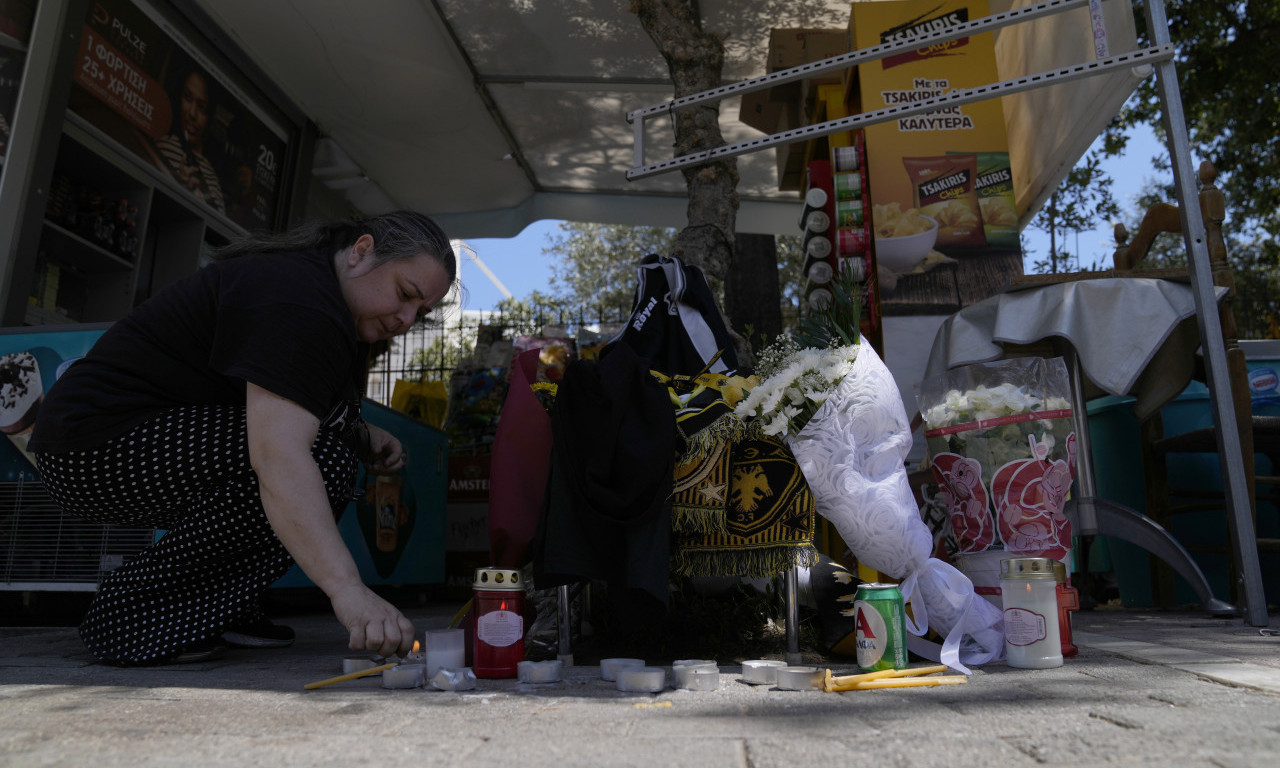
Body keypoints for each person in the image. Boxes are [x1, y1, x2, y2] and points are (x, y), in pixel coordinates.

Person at [28, 210, 456, 666]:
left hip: (119, 441)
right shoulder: (300, 298)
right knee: (319, 461)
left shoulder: (322, 299)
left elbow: (284, 407)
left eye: (421, 313)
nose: (407, 319)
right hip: (90, 449)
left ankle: (209, 610)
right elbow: (279, 456)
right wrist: (347, 590)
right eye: (405, 294)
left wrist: (361, 432)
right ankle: (132, 615)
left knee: (329, 453)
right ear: (361, 252)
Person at [152, 70, 225, 213]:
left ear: (210, 120)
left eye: (202, 108)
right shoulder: (163, 146)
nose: (192, 113)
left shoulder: (212, 176)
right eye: (188, 97)